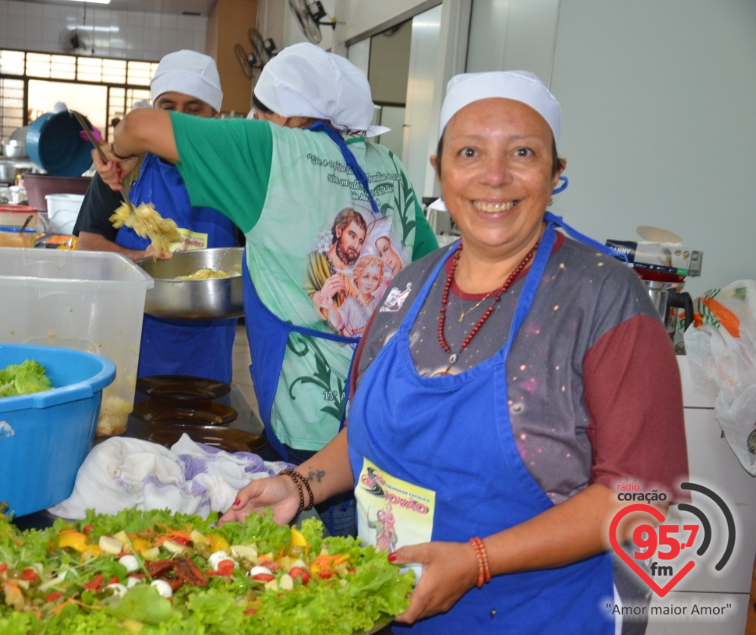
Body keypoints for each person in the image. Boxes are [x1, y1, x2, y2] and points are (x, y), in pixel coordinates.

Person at [221, 70, 689, 633]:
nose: (494, 177)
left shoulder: (602, 298)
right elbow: (373, 435)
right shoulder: (407, 288)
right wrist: (300, 484)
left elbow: (643, 496)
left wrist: (478, 561)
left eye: (522, 152)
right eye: (470, 152)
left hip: (542, 616)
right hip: (396, 609)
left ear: (556, 172)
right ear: (440, 169)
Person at [94, 42, 439, 535]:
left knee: (315, 557)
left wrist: (120, 156)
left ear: (293, 117)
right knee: (375, 550)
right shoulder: (390, 167)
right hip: (387, 410)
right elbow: (429, 274)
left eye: (262, 108)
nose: (253, 117)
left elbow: (138, 125)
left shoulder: (273, 150)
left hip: (309, 430)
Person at [73, 50, 239, 384]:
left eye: (194, 110)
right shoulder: (123, 171)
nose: (177, 121)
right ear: (153, 110)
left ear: (215, 116)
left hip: (205, 354)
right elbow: (87, 247)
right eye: (168, 108)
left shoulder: (234, 178)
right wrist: (141, 260)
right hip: (127, 343)